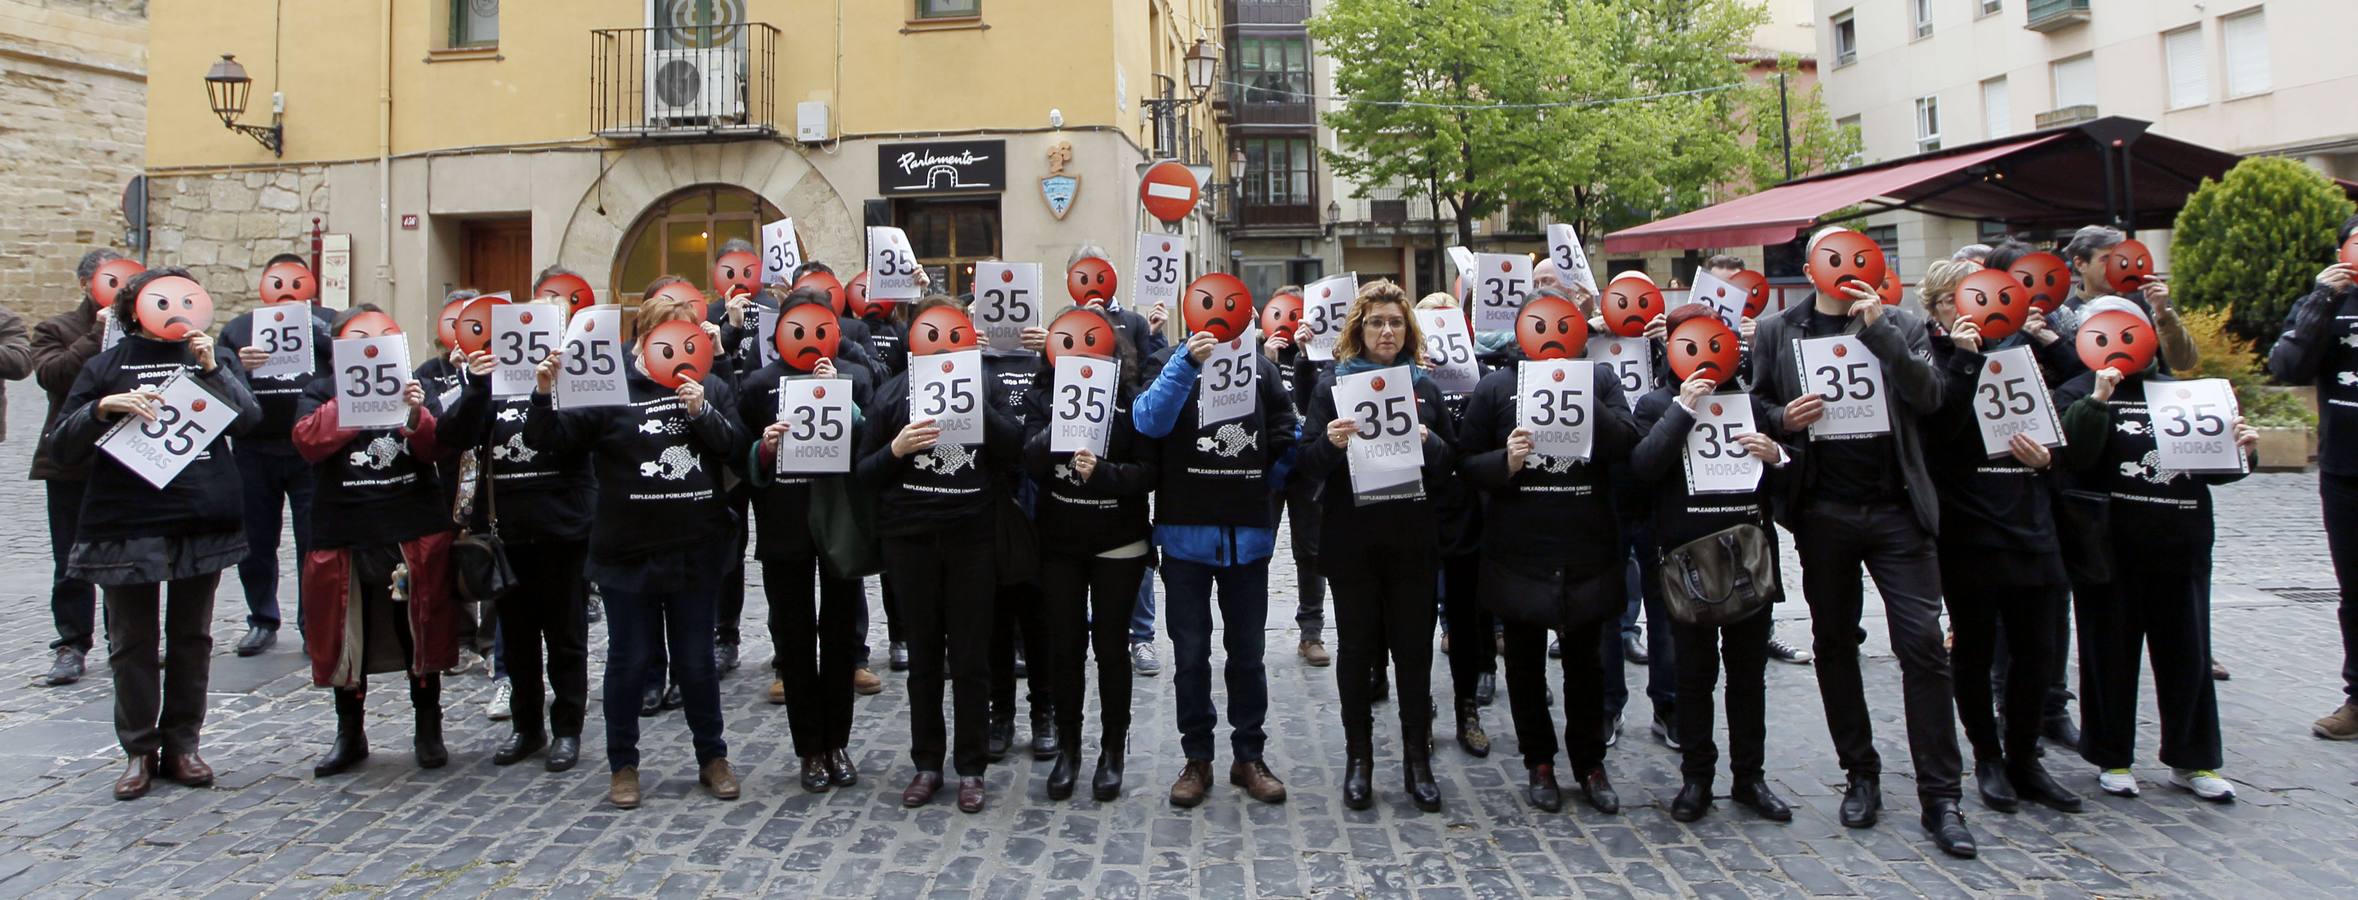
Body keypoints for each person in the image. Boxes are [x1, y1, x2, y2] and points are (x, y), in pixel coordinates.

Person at [1753, 229, 1975, 857]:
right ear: (1808, 267)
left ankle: (1942, 796)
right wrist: (1781, 419)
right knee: (1834, 642)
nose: (1846, 268)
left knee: (1923, 644)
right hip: (1823, 509)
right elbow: (1760, 402)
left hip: (1897, 509)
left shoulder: (1900, 324)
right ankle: (1862, 772)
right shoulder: (1779, 330)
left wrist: (1877, 327)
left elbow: (1930, 397)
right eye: (1832, 258)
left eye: (1858, 258)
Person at [526, 291, 745, 809]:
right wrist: (543, 395)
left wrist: (702, 411)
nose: (677, 346)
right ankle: (623, 763)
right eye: (664, 337)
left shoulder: (709, 383)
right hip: (628, 552)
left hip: (696, 547)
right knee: (628, 660)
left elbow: (737, 448)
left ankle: (712, 757)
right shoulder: (608, 387)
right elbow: (554, 443)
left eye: (686, 335)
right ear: (642, 342)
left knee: (696, 662)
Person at [50, 267, 260, 800]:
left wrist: (215, 372)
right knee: (132, 641)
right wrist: (103, 408)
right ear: (135, 308)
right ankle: (139, 750)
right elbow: (61, 443)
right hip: (125, 519)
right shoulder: (106, 365)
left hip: (200, 516)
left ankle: (183, 744)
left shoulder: (207, 356)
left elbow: (249, 420)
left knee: (192, 637)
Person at [2053, 299, 2255, 805]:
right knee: (2108, 654)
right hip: (2107, 546)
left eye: (2133, 332)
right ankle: (2111, 755)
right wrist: (2098, 398)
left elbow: (2223, 469)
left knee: (2187, 653)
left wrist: (2243, 448)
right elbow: (2073, 457)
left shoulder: (2184, 393)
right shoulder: (2076, 390)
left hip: (2179, 540)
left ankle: (2194, 759)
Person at [1456, 290, 1638, 814]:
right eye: (1540, 325)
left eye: (1564, 324)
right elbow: (1467, 464)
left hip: (1586, 545)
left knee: (1587, 664)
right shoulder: (1495, 387)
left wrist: (1584, 400)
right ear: (1520, 331)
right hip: (1520, 548)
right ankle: (1539, 760)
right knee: (1525, 665)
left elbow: (1626, 442)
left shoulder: (1600, 378)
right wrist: (1505, 462)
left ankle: (1589, 762)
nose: (1553, 335)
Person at [1919, 260, 2085, 813]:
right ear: (1942, 307)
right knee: (1974, 647)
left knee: (2037, 651)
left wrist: (2047, 460)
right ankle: (1986, 756)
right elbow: (1940, 434)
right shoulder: (1936, 360)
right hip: (1969, 527)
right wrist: (1966, 359)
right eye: (1964, 297)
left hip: (2030, 520)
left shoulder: (2023, 352)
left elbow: (2072, 407)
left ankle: (2024, 757)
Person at [1626, 304, 1797, 823]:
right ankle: (1697, 778)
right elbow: (1641, 470)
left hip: (1749, 557)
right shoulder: (1655, 405)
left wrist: (1778, 455)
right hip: (1685, 561)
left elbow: (1792, 479)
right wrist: (1682, 410)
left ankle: (1750, 777)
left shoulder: (1750, 403)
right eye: (1690, 343)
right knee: (1694, 675)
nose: (1703, 356)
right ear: (1672, 348)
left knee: (1749, 676)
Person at [1297, 281, 1460, 811]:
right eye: (1376, 322)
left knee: (1413, 654)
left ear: (1408, 329)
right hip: (1354, 539)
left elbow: (1451, 467)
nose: (1386, 331)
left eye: (1394, 322)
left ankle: (1417, 760)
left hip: (1412, 539)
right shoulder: (1331, 387)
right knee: (1357, 652)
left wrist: (1430, 442)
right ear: (1358, 330)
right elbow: (1307, 465)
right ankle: (1359, 757)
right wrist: (1331, 441)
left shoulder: (1426, 389)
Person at [1132, 293, 1297, 810]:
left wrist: (1265, 488)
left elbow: (1287, 434)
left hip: (1247, 538)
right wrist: (1186, 363)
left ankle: (1249, 755)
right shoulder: (1169, 361)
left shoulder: (1263, 371)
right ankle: (1196, 757)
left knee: (1248, 653)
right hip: (1185, 538)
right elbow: (1147, 421)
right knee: (1191, 654)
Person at [858, 297, 1020, 814]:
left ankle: (971, 767)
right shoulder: (891, 395)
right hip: (910, 540)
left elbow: (1015, 448)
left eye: (954, 335)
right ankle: (927, 762)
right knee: (924, 659)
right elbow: (863, 474)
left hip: (972, 537)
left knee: (971, 658)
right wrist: (898, 449)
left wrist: (978, 403)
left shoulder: (987, 383)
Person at [295, 307, 463, 780]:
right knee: (349, 637)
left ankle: (428, 728)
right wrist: (353, 399)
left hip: (409, 526)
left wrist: (415, 413)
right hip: (345, 529)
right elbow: (307, 442)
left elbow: (437, 448)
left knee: (419, 629)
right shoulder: (319, 388)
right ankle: (350, 732)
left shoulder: (415, 386)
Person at [438, 310, 596, 774]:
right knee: (520, 638)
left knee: (567, 637)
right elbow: (453, 437)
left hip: (562, 529)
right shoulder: (489, 387)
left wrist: (549, 389)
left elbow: (579, 441)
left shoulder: (570, 382)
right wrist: (474, 386)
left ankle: (568, 727)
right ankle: (527, 728)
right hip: (507, 533)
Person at [739, 287, 873, 792]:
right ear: (780, 332)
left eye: (820, 328)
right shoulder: (757, 385)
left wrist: (841, 393)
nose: (810, 339)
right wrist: (765, 447)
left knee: (840, 637)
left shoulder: (855, 376)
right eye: (798, 327)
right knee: (793, 639)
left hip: (837, 522)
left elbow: (871, 439)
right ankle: (809, 749)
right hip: (784, 523)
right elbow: (744, 458)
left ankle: (837, 741)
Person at [1023, 305, 1157, 800]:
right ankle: (1069, 749)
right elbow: (1029, 463)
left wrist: (1105, 474)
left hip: (1118, 540)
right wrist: (1058, 428)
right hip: (1060, 542)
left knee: (1110, 648)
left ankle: (1112, 751)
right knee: (1066, 647)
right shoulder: (1045, 396)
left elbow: (1148, 472)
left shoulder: (1130, 401)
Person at [2266, 217, 2358, 740]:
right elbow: (2288, 367)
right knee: (2354, 591)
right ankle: (2357, 698)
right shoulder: (2326, 305)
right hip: (2346, 469)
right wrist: (2321, 300)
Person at [218, 281, 334, 656]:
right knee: (256, 539)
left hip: (307, 447)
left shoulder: (325, 322)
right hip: (254, 447)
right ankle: (262, 618)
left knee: (311, 539)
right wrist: (240, 364)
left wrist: (316, 327)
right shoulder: (238, 327)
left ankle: (311, 623)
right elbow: (217, 375)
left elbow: (345, 361)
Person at [30, 248, 125, 687]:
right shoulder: (57, 328)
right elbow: (54, 376)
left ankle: (124, 638)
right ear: (87, 284)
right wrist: (95, 335)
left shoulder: (144, 327)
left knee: (124, 554)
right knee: (69, 556)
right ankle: (71, 643)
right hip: (69, 460)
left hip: (125, 459)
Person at [1410, 291, 1492, 753]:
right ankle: (1419, 707)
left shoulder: (1479, 375)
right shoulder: (1414, 382)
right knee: (1415, 618)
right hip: (1416, 512)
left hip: (1462, 513)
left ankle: (1467, 708)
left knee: (1464, 616)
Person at [1262, 286, 1332, 667]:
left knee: (1311, 550)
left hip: (1306, 465)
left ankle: (1311, 632)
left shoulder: (1324, 358)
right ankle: (1251, 629)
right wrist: (1268, 361)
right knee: (1262, 546)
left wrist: (1307, 354)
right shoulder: (1257, 355)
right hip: (1272, 467)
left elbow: (1314, 404)